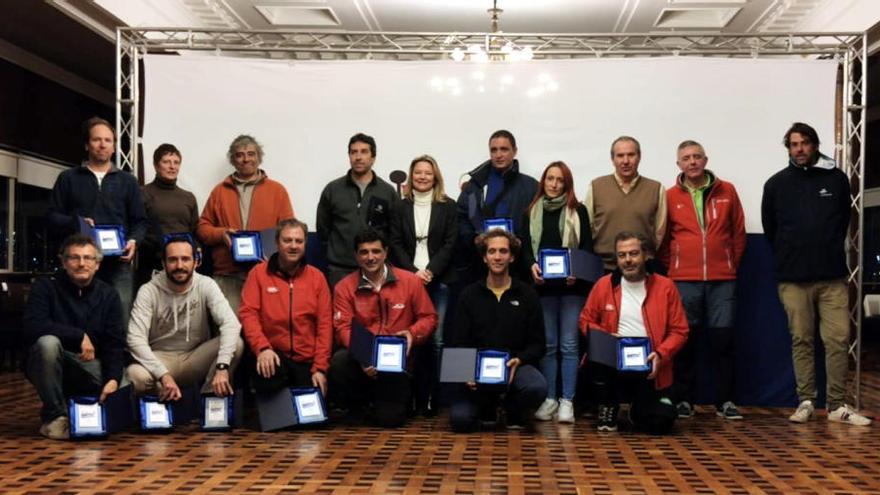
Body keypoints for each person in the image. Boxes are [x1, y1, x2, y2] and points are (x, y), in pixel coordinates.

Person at [761, 122, 870, 426]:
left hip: (832, 278)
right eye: (794, 144)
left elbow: (842, 223)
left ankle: (836, 405)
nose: (800, 149)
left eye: (805, 143)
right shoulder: (775, 184)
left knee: (837, 340)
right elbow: (771, 230)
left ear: (815, 145)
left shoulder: (836, 180)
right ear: (788, 148)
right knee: (802, 340)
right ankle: (806, 401)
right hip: (793, 280)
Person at [658, 140, 746, 420]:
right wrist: (674, 267)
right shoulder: (669, 195)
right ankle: (684, 400)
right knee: (685, 342)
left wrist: (730, 264)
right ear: (678, 164)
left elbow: (739, 233)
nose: (692, 162)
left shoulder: (727, 190)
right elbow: (662, 238)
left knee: (723, 341)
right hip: (683, 281)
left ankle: (726, 401)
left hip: (723, 280)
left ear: (705, 160)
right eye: (686, 158)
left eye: (697, 157)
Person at [579, 232, 688, 434]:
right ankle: (608, 405)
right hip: (612, 359)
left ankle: (637, 409)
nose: (628, 260)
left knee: (660, 422)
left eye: (633, 253)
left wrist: (661, 354)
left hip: (650, 362)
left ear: (645, 255)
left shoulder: (666, 287)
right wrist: (605, 339)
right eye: (622, 255)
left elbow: (679, 330)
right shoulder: (604, 285)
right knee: (596, 357)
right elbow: (585, 320)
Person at [329, 228, 437, 427]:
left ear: (386, 252)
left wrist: (413, 334)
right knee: (339, 361)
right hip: (362, 361)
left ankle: (385, 403)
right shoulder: (344, 287)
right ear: (356, 255)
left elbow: (429, 317)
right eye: (364, 252)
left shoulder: (410, 281)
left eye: (376, 251)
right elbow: (342, 326)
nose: (370, 257)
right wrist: (363, 353)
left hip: (398, 362)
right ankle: (359, 404)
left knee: (390, 419)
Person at [47, 117, 148, 328]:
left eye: (108, 140)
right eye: (96, 140)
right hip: (80, 262)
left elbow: (140, 222)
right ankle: (80, 357)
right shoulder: (68, 178)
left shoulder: (128, 181)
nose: (102, 145)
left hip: (118, 264)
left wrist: (133, 241)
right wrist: (76, 222)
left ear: (113, 146)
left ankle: (116, 361)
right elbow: (51, 217)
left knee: (120, 317)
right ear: (87, 145)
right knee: (76, 316)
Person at [22, 234, 124, 440]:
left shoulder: (109, 295)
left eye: (88, 258)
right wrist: (78, 336)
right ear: (63, 261)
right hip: (49, 363)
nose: (81, 263)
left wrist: (114, 379)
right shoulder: (45, 287)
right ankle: (55, 417)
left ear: (97, 264)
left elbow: (115, 343)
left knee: (129, 382)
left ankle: (80, 409)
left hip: (89, 366)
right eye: (74, 258)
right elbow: (32, 325)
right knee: (47, 344)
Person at [449, 229, 547, 432]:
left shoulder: (527, 294)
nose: (497, 256)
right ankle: (488, 405)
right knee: (461, 421)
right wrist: (467, 373)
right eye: (492, 251)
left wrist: (519, 360)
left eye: (503, 251)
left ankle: (513, 408)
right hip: (477, 371)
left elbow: (538, 344)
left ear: (512, 257)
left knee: (537, 387)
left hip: (515, 367)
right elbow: (458, 341)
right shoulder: (468, 295)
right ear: (484, 258)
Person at [126, 236, 244, 400]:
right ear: (163, 263)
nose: (179, 266)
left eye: (185, 259)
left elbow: (230, 324)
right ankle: (168, 406)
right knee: (135, 375)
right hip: (161, 359)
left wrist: (222, 367)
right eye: (173, 260)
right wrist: (163, 375)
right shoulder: (148, 291)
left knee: (236, 344)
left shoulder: (206, 284)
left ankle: (208, 404)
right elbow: (134, 339)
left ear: (196, 262)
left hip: (195, 357)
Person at [520, 161, 593, 423]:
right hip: (542, 290)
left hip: (573, 289)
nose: (553, 184)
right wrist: (531, 266)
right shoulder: (531, 211)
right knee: (549, 346)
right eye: (549, 179)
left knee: (570, 345)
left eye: (559, 180)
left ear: (567, 183)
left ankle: (567, 401)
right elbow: (525, 247)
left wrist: (578, 269)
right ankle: (550, 398)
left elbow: (586, 246)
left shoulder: (578, 210)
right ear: (543, 181)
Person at [389, 155, 458, 416]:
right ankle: (408, 394)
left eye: (428, 173)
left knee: (437, 340)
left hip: (438, 280)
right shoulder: (399, 206)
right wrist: (412, 273)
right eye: (418, 172)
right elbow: (393, 242)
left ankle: (434, 396)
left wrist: (430, 271)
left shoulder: (448, 206)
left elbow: (451, 243)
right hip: (406, 280)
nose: (422, 177)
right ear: (411, 175)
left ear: (435, 176)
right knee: (409, 337)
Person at [197, 134, 294, 311]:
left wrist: (273, 257)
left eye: (251, 154)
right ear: (233, 160)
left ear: (259, 157)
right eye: (239, 155)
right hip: (228, 275)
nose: (245, 159)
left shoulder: (277, 191)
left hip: (266, 273)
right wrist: (221, 234)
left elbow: (288, 231)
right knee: (229, 332)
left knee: (265, 329)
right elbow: (203, 228)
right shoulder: (219, 192)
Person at [240, 218, 333, 396]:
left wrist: (320, 368)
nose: (293, 246)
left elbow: (325, 325)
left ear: (305, 243)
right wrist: (262, 348)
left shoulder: (317, 278)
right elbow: (248, 314)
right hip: (273, 356)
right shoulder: (258, 274)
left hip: (306, 360)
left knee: (310, 421)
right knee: (270, 393)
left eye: (298, 241)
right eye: (287, 240)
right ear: (277, 242)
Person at [316, 133, 399, 287]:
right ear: (349, 156)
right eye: (354, 152)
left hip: (376, 270)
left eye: (364, 151)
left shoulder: (387, 192)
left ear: (373, 157)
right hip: (339, 270)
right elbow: (323, 229)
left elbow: (394, 231)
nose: (358, 157)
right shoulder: (333, 189)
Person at [457, 130, 538, 280]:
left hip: (519, 268)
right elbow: (462, 216)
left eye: (504, 149)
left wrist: (521, 244)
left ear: (515, 151)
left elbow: (538, 226)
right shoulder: (475, 185)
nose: (498, 155)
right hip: (480, 265)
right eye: (494, 150)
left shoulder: (531, 186)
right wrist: (473, 240)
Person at [584, 136, 666, 271]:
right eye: (620, 156)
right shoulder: (596, 186)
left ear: (639, 157)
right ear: (613, 159)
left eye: (631, 155)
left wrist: (640, 255)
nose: (626, 161)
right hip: (603, 268)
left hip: (643, 269)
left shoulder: (656, 189)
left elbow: (659, 232)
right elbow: (587, 228)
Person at [138, 143, 199, 287]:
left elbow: (195, 230)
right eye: (166, 162)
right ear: (156, 165)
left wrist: (197, 249)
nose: (172, 166)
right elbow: (138, 228)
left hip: (182, 266)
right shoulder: (142, 193)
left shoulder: (188, 197)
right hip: (152, 264)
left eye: (176, 162)